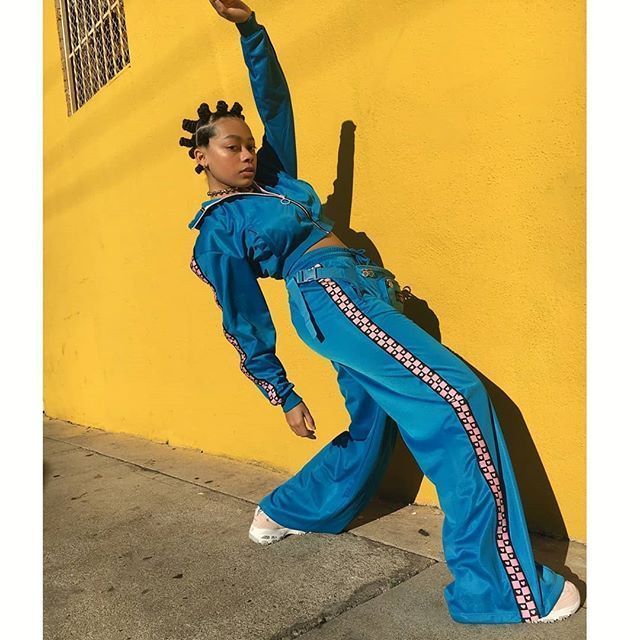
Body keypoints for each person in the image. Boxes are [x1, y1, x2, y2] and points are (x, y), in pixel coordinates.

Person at [179, 0, 581, 625]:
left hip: (367, 291)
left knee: (375, 428)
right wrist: (281, 393)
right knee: (457, 398)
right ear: (202, 156)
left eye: (250, 144)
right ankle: (496, 588)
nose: (248, 152)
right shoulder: (220, 228)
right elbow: (243, 318)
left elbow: (276, 105)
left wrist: (251, 31)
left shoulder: (276, 185)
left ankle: (287, 509)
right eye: (232, 147)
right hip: (328, 298)